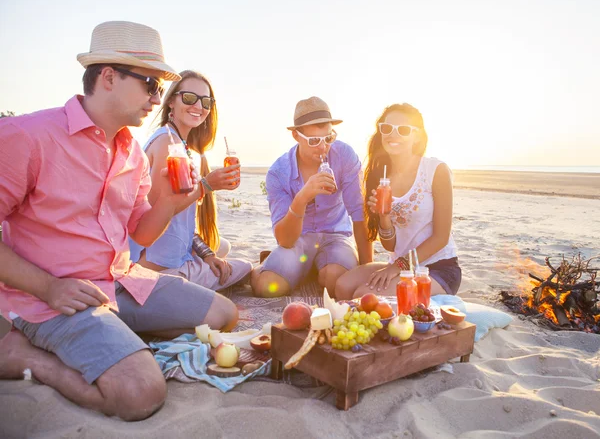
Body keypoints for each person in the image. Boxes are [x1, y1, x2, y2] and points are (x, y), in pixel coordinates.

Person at [0, 21, 238, 421]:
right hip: (54, 298)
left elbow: (141, 230)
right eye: (150, 84)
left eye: (160, 88)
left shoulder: (132, 154)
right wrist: (49, 286)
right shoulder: (27, 136)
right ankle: (25, 356)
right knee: (140, 393)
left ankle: (116, 338)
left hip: (120, 283)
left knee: (224, 314)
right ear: (108, 77)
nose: (156, 97)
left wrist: (174, 201)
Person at [129, 70, 252, 289]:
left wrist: (206, 254)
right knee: (245, 267)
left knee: (221, 247)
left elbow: (179, 221)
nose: (198, 106)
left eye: (206, 101)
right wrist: (207, 185)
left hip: (168, 250)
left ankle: (196, 266)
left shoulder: (175, 140)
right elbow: (160, 214)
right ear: (171, 102)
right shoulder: (168, 144)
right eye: (189, 98)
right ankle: (178, 280)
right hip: (158, 263)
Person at [336, 103, 461, 300]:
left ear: (417, 136)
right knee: (342, 286)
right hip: (401, 266)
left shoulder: (436, 170)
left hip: (437, 269)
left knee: (363, 295)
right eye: (387, 128)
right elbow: (390, 246)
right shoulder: (381, 178)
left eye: (403, 130)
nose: (393, 135)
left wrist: (397, 266)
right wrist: (384, 218)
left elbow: (441, 238)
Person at [251, 97, 372, 298]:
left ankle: (314, 269)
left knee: (336, 281)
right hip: (297, 240)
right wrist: (302, 197)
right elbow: (285, 239)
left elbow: (359, 216)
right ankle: (266, 267)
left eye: (328, 138)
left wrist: (366, 270)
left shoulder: (345, 156)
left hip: (336, 236)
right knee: (267, 287)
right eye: (314, 140)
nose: (323, 147)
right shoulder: (278, 173)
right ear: (295, 135)